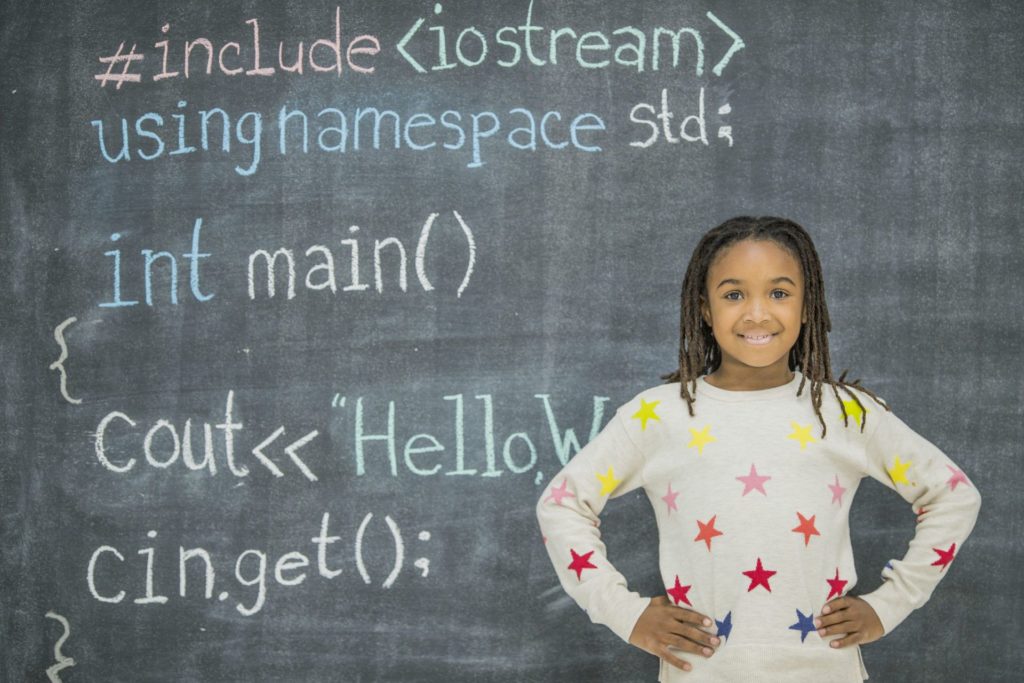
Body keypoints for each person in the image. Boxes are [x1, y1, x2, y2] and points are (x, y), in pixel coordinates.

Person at [535, 216, 981, 682]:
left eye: (779, 293)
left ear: (808, 306)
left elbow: (953, 495)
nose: (757, 314)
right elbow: (562, 505)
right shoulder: (657, 416)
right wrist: (626, 614)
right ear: (705, 309)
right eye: (733, 295)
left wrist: (889, 604)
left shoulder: (846, 412)